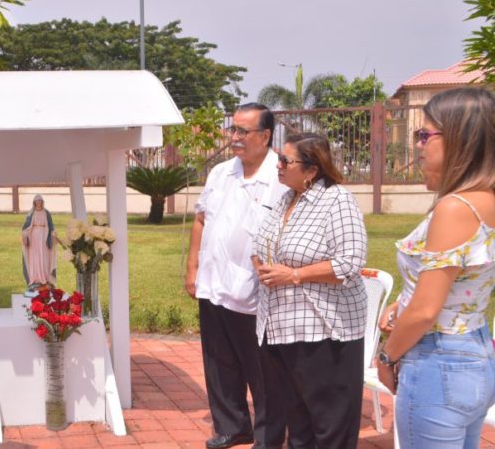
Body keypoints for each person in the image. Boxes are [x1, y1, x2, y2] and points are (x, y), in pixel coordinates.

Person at [377, 88, 495, 448]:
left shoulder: (455, 207)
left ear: (461, 138)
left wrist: (386, 356)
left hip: (437, 360)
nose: (418, 145)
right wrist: (403, 300)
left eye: (424, 134)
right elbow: (461, 281)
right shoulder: (485, 200)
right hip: (474, 353)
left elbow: (426, 312)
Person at [252, 133, 368, 449]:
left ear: (311, 169)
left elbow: (350, 262)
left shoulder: (337, 200)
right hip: (279, 329)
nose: (277, 165)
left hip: (324, 332)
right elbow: (259, 242)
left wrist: (293, 275)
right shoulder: (286, 199)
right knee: (299, 427)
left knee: (330, 430)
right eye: (279, 157)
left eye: (285, 161)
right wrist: (259, 263)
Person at [185, 103, 288, 449]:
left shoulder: (281, 175)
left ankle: (267, 434)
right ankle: (231, 426)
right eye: (233, 130)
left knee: (261, 367)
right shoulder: (221, 172)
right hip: (213, 282)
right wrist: (192, 269)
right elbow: (201, 219)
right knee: (218, 360)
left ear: (265, 136)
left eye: (243, 132)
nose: (235, 138)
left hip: (255, 288)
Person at [21, 194, 57, 287]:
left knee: (44, 256)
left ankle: (45, 277)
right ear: (34, 202)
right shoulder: (31, 213)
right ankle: (35, 277)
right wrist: (25, 235)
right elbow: (25, 227)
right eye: (37, 201)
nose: (38, 202)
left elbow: (51, 224)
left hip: (44, 236)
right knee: (35, 256)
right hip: (33, 237)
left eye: (40, 201)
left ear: (42, 202)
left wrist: (53, 233)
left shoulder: (46, 213)